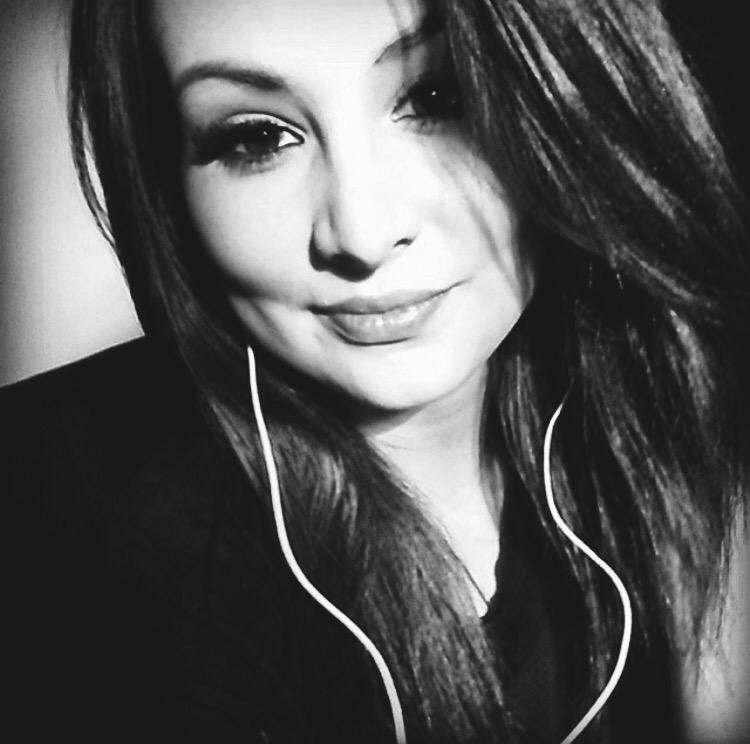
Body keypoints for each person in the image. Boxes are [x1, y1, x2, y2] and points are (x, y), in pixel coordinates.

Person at [3, 0, 749, 742]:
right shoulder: (181, 587)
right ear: (169, 191)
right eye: (258, 137)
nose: (361, 233)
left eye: (439, 96)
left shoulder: (650, 402)